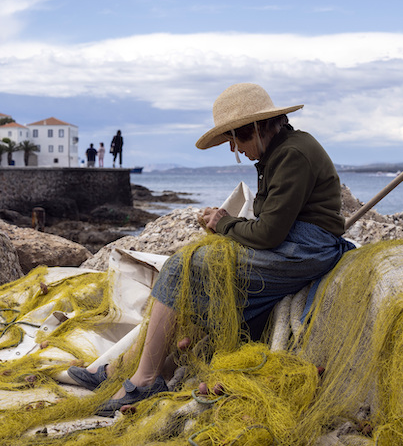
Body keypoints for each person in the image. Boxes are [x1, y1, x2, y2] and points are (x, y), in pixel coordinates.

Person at [67, 83, 354, 416]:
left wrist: (223, 223)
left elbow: (270, 234)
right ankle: (129, 369)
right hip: (295, 242)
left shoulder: (293, 154)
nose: (236, 148)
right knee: (195, 283)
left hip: (305, 249)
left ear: (257, 129)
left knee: (181, 268)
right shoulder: (279, 151)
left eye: (236, 140)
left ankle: (144, 381)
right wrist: (229, 225)